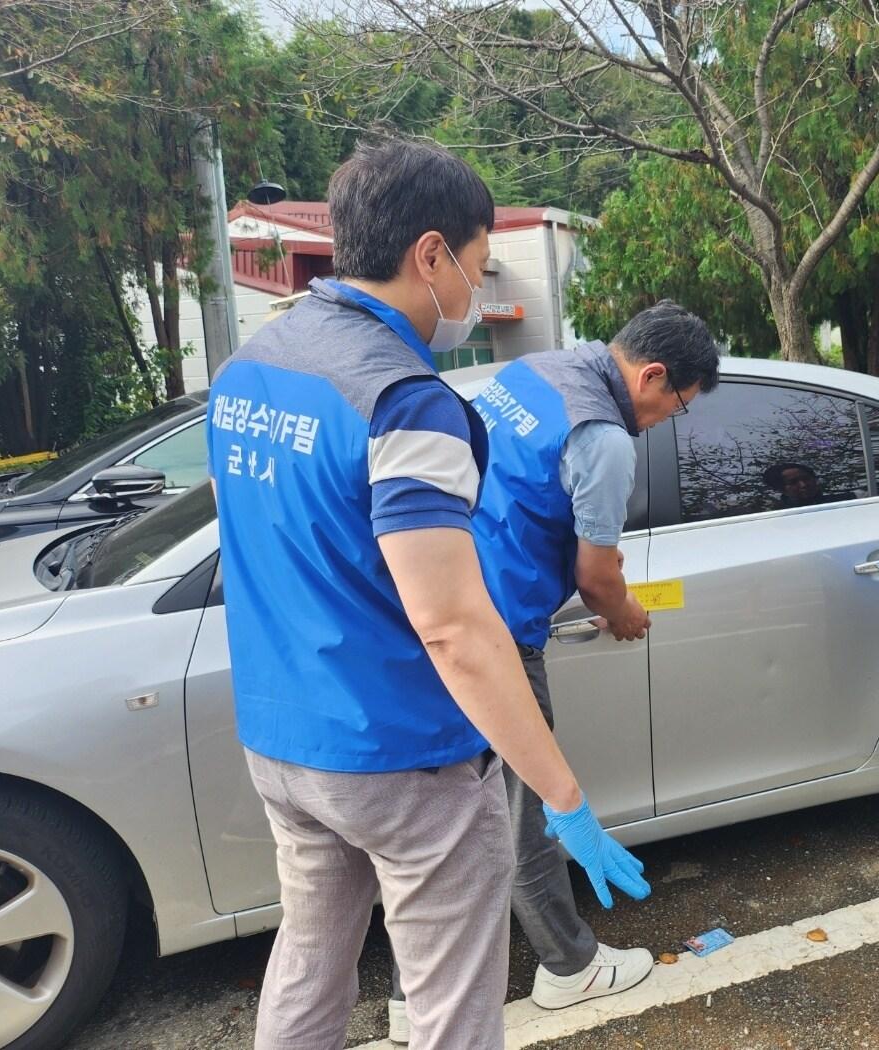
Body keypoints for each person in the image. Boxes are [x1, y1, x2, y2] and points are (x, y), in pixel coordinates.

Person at [207, 140, 649, 1050]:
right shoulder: (406, 402)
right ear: (432, 255)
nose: (479, 294)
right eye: (481, 268)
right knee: (452, 1005)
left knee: (311, 957)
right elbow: (451, 626)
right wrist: (559, 793)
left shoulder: (253, 365)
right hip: (403, 754)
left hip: (282, 738)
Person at [385, 300, 718, 1039]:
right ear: (653, 374)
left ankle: (413, 992)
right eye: (678, 406)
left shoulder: (536, 370)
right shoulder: (603, 440)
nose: (669, 419)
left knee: (441, 818)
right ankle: (570, 966)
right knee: (527, 811)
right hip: (499, 635)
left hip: (438, 594)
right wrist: (624, 611)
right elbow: (599, 578)